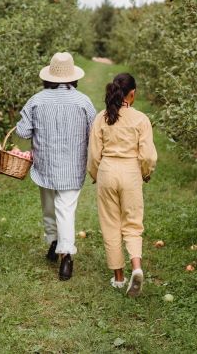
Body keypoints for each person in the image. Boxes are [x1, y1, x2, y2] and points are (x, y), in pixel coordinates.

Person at [16, 52, 97, 281]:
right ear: (73, 77)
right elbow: (95, 132)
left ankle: (53, 243)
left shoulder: (37, 100)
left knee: (49, 207)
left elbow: (22, 131)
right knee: (66, 209)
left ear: (49, 76)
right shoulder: (83, 101)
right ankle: (66, 257)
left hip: (45, 165)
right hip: (72, 167)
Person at [87, 73, 157, 297]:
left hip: (107, 170)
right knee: (133, 223)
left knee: (111, 224)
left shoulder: (102, 118)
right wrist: (145, 173)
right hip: (130, 172)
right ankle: (136, 267)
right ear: (133, 93)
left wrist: (96, 175)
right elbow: (148, 156)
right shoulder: (140, 119)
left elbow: (94, 154)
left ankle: (118, 278)